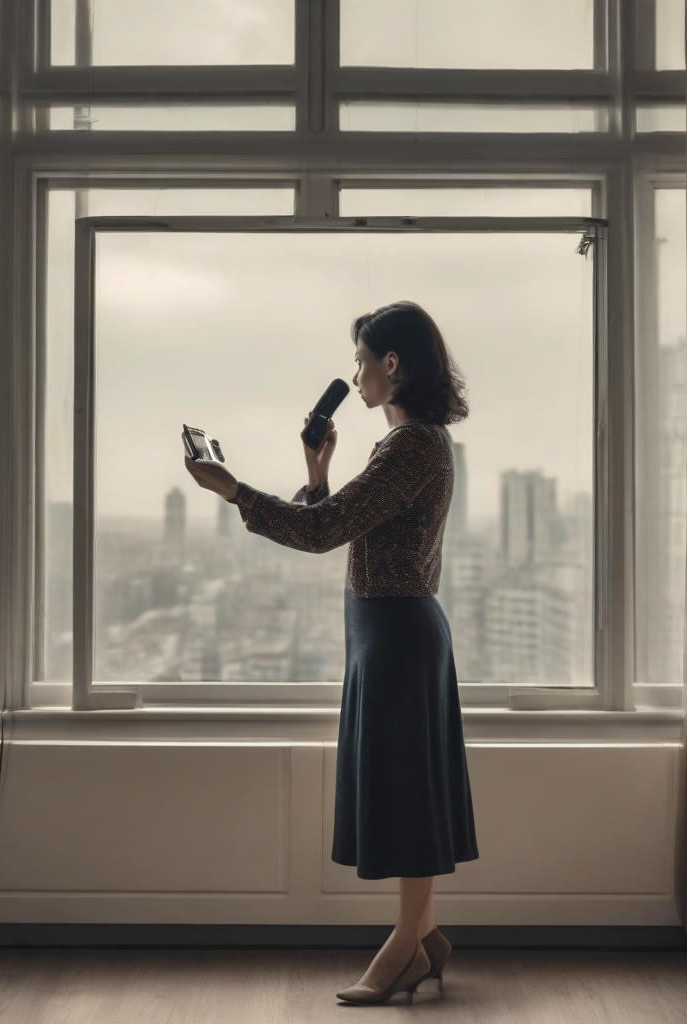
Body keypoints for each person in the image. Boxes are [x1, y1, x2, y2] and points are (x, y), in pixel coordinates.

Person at [184, 300, 478, 1005]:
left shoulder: (412, 447)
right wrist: (316, 472)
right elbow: (334, 522)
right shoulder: (413, 445)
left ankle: (404, 949)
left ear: (392, 364)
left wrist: (233, 491)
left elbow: (321, 536)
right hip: (388, 633)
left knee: (406, 794)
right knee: (406, 784)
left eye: (362, 360)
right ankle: (426, 938)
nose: (356, 374)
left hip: (398, 637)